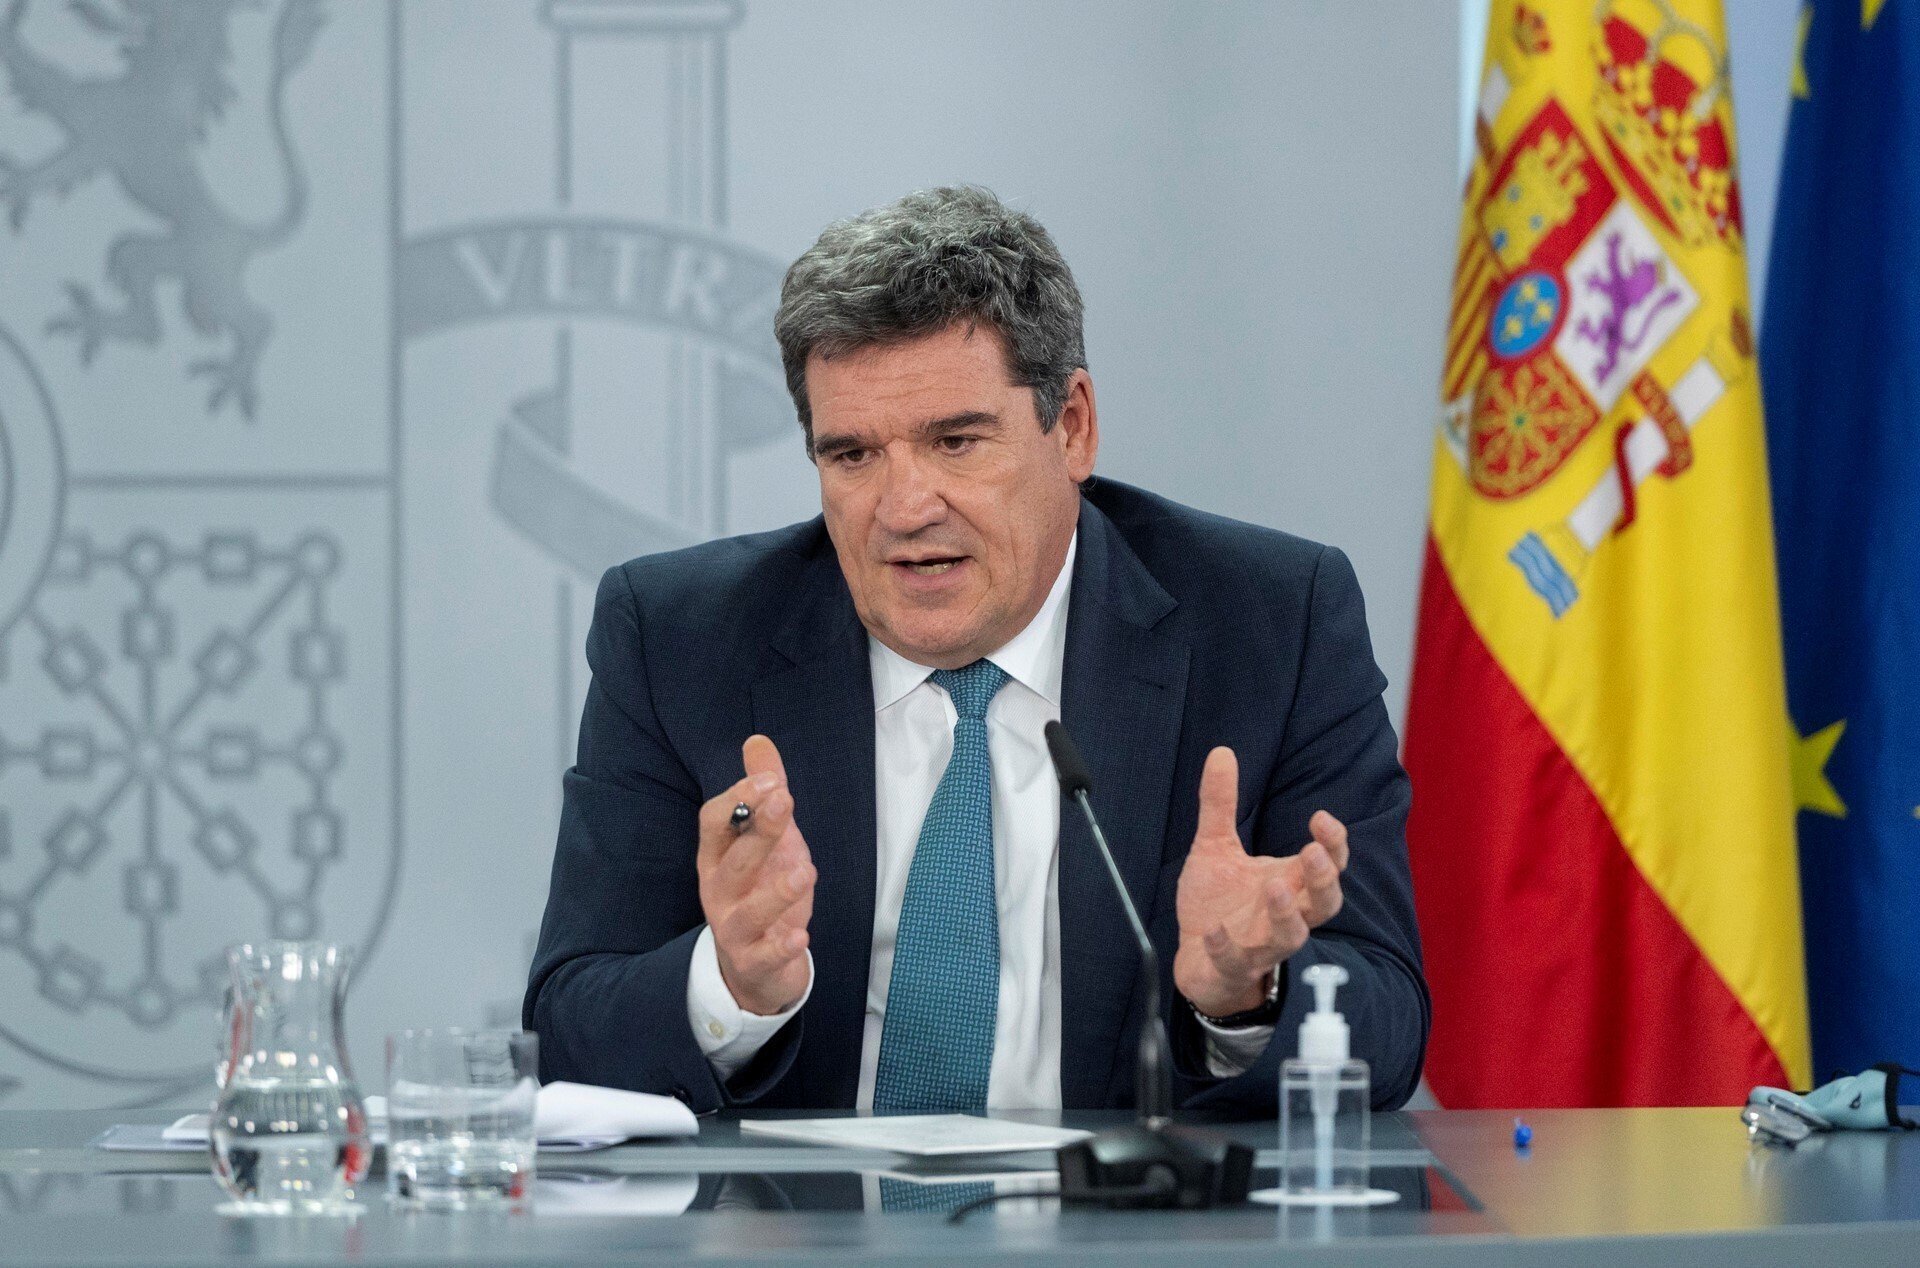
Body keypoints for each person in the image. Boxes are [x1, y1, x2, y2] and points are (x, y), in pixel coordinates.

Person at [524, 187, 1428, 1116]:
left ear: (1071, 426)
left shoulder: (1270, 623)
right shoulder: (680, 638)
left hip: (1119, 1208)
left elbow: (1391, 1022)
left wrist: (1245, 992)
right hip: (802, 1211)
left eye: (955, 442)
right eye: (853, 456)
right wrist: (729, 984)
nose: (904, 508)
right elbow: (567, 1024)